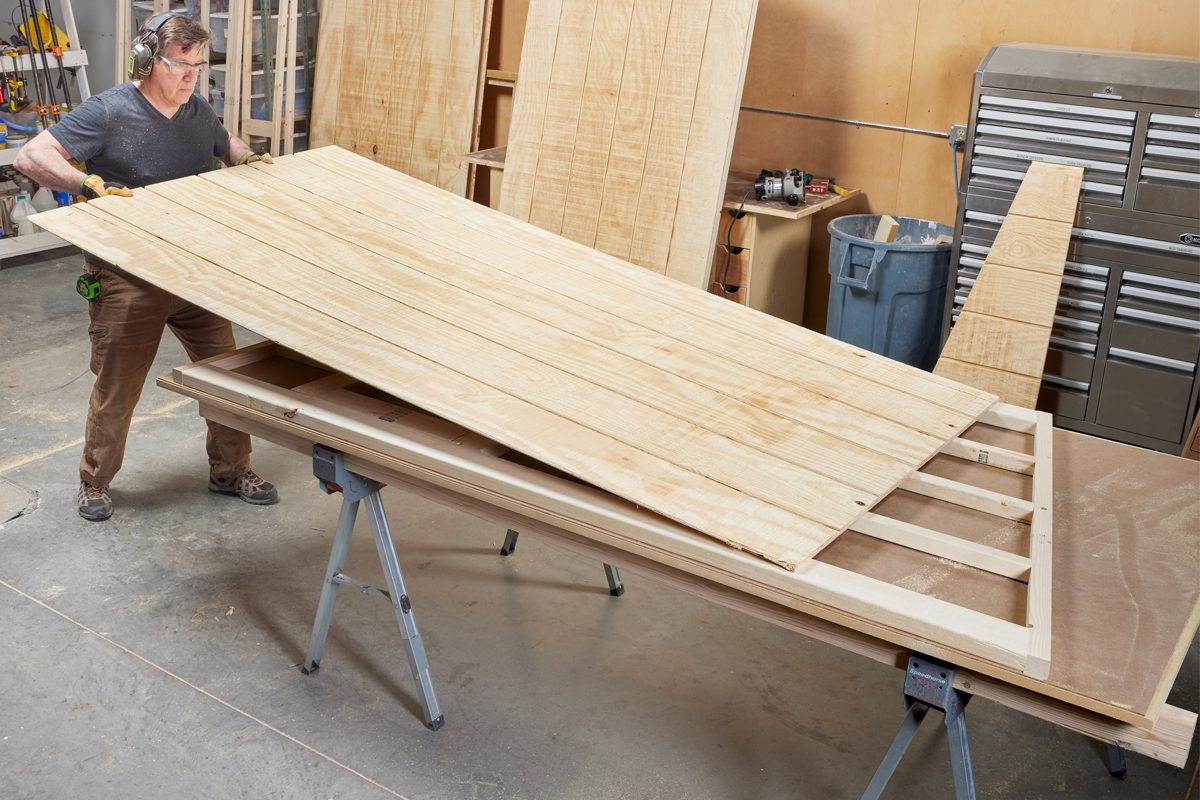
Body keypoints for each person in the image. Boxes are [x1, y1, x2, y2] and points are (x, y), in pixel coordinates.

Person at [14, 12, 279, 521]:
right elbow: (32, 155)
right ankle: (94, 481)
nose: (190, 77)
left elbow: (226, 143)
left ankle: (230, 469)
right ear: (145, 62)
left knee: (229, 375)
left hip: (192, 271)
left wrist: (246, 159)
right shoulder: (107, 112)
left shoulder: (196, 109)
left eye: (198, 66)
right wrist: (84, 183)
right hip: (128, 275)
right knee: (119, 385)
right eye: (181, 65)